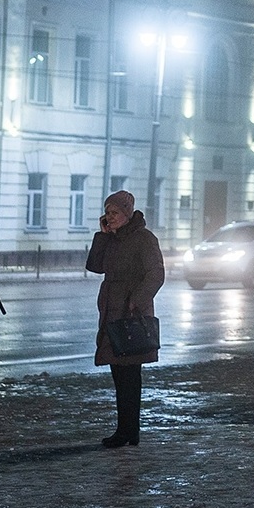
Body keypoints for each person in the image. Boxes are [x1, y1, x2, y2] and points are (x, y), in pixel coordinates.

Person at [85, 190, 165, 448]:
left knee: (130, 374)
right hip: (111, 311)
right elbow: (95, 266)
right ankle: (126, 429)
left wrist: (136, 301)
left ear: (127, 214)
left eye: (115, 213)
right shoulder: (113, 238)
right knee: (119, 374)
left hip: (131, 314)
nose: (110, 217)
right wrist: (102, 236)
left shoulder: (144, 239)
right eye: (107, 213)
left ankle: (129, 430)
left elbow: (156, 274)